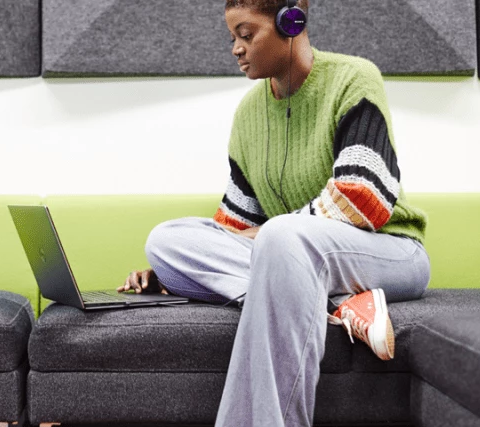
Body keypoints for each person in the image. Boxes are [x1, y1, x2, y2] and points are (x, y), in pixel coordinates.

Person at [116, 0, 431, 426]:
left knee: (282, 237)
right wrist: (176, 273)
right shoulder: (248, 114)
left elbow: (362, 201)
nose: (236, 49)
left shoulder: (354, 78)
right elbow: (234, 225)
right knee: (167, 240)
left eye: (246, 35)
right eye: (232, 38)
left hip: (388, 252)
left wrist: (265, 238)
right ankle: (339, 304)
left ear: (291, 23)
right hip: (291, 256)